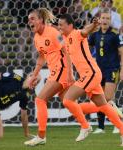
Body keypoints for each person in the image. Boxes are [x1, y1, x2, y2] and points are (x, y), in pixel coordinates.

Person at [24, 8, 91, 146]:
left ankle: (41, 136)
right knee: (70, 103)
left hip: (62, 70)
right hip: (55, 71)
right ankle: (103, 107)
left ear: (41, 20)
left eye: (32, 18)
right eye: (28, 19)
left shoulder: (53, 32)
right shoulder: (37, 38)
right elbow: (42, 57)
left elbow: (66, 50)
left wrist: (70, 73)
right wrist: (34, 75)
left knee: (40, 100)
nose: (29, 21)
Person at [58, 13, 123, 146]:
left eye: (61, 25)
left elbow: (85, 30)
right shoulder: (66, 39)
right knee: (103, 106)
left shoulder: (76, 34)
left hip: (91, 74)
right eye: (58, 25)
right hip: (90, 74)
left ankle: (85, 126)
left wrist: (93, 24)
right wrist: (70, 74)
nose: (59, 27)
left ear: (70, 26)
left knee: (67, 100)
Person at [0, 71, 41, 139]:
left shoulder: (25, 96)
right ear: (29, 77)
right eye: (35, 80)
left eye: (37, 82)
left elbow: (24, 115)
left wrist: (26, 133)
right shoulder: (15, 77)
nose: (35, 83)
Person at [88, 8, 123, 134]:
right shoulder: (95, 35)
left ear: (110, 20)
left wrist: (122, 69)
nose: (105, 20)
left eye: (108, 18)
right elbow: (87, 48)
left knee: (107, 97)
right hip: (99, 70)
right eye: (103, 18)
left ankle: (118, 123)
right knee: (100, 99)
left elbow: (121, 52)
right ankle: (101, 127)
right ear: (99, 19)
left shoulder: (114, 36)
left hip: (112, 69)